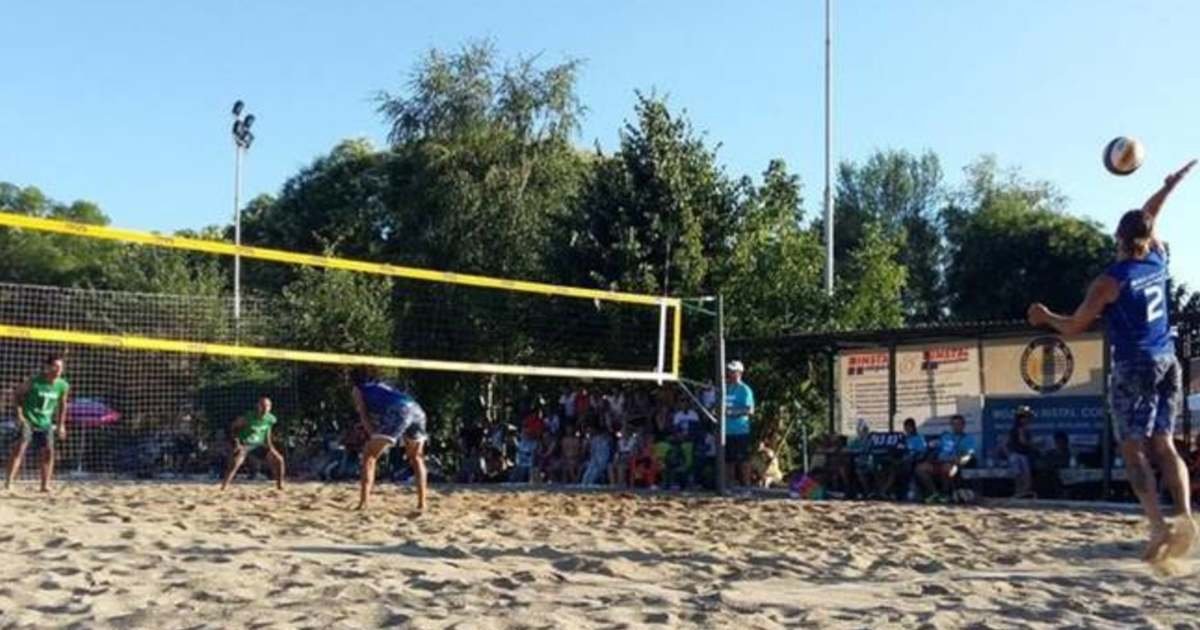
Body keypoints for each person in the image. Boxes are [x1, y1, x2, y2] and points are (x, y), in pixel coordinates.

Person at [1027, 159, 1196, 562]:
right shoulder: (1158, 257)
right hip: (1166, 358)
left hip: (1134, 363)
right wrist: (1168, 188)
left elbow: (1075, 326)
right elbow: (1150, 218)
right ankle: (1186, 516)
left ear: (1118, 237)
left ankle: (1157, 526)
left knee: (1133, 449)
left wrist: (1045, 316)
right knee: (1165, 443)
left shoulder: (1110, 281)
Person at [350, 367, 429, 511]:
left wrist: (373, 437)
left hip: (399, 411)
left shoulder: (358, 389)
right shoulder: (384, 386)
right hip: (417, 410)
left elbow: (363, 414)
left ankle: (363, 503)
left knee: (369, 455)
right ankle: (422, 503)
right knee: (417, 458)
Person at [5, 354, 70, 493]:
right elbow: (16, 395)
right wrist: (19, 415)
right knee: (20, 448)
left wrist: (61, 425)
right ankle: (8, 482)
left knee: (48, 452)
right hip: (28, 419)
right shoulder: (34, 381)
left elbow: (63, 405)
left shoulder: (62, 385)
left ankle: (44, 485)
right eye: (56, 366)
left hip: (45, 422)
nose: (58, 370)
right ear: (48, 367)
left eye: (61, 367)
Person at [220, 396, 285, 491]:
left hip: (258, 445)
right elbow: (232, 428)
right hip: (244, 443)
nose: (264, 408)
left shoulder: (270, 419)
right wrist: (236, 443)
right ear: (258, 406)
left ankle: (280, 485)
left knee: (279, 460)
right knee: (235, 463)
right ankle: (224, 486)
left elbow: (267, 434)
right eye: (262, 405)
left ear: (270, 407)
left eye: (267, 406)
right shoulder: (248, 417)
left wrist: (271, 448)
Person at [915, 414, 976, 502]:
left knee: (946, 468)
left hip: (953, 464)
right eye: (954, 424)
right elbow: (933, 446)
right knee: (920, 469)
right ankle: (933, 493)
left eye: (958, 424)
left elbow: (969, 454)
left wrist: (960, 461)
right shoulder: (945, 436)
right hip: (938, 462)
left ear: (963, 425)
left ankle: (945, 494)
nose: (956, 426)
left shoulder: (968, 438)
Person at [724, 360, 756, 487]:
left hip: (740, 431)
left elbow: (749, 409)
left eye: (733, 371)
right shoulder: (725, 387)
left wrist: (731, 412)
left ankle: (746, 486)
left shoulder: (745, 389)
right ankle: (729, 486)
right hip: (726, 431)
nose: (730, 373)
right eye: (729, 371)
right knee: (728, 461)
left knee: (743, 460)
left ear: (739, 373)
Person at [1007, 406, 1036, 499]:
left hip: (1016, 455)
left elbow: (1006, 443)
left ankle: (1019, 493)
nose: (1028, 420)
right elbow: (1023, 441)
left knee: (1019, 475)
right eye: (1027, 417)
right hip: (1020, 455)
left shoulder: (1014, 429)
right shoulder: (1021, 429)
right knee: (1024, 476)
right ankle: (1022, 493)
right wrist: (1033, 444)